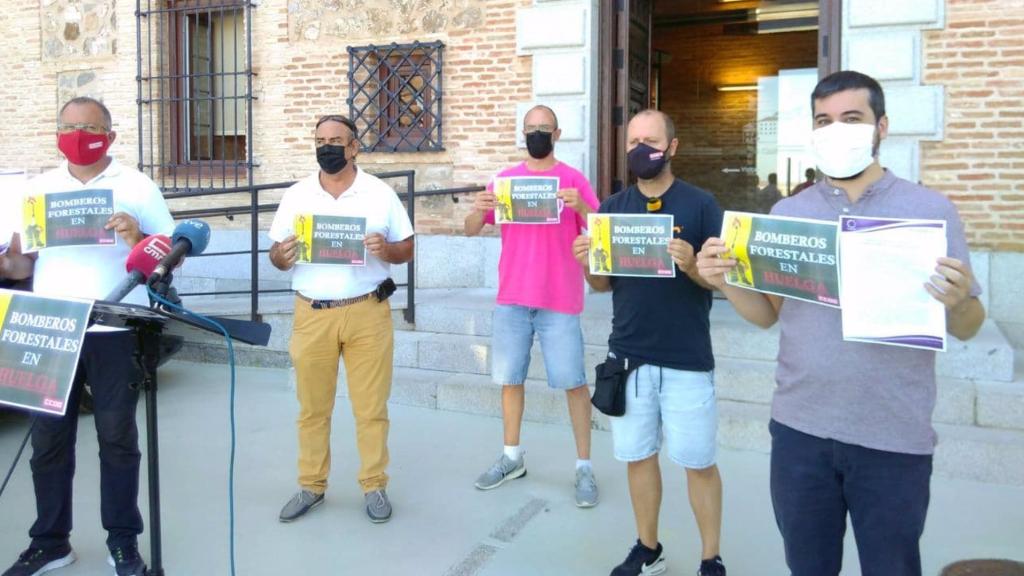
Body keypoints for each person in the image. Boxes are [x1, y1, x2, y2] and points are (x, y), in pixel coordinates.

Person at [696, 71, 986, 576]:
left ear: (881, 127)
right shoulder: (789, 212)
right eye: (823, 120)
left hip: (893, 438)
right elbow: (767, 316)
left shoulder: (929, 211)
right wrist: (724, 281)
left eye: (851, 118)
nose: (836, 130)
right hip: (800, 432)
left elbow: (969, 325)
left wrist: (958, 301)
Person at [1, 97, 175, 576]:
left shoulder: (136, 186)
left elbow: (170, 258)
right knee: (47, 441)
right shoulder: (37, 191)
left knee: (117, 437)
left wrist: (136, 236)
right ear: (57, 133)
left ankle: (123, 541)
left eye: (91, 128)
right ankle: (50, 542)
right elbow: (21, 265)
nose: (78, 135)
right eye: (69, 126)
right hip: (49, 326)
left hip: (114, 329)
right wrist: (5, 262)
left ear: (111, 136)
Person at [572, 109, 726, 576]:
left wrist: (693, 265)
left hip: (686, 359)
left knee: (699, 463)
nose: (641, 149)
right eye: (633, 141)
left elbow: (720, 281)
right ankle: (647, 547)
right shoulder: (611, 210)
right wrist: (587, 263)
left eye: (651, 141)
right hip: (629, 357)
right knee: (638, 458)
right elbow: (602, 285)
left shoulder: (701, 206)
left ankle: (710, 557)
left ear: (672, 147)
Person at [269, 114, 414, 524]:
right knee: (312, 409)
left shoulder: (379, 193)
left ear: (354, 147)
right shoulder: (297, 195)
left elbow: (407, 248)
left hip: (367, 312)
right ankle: (311, 485)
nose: (327, 147)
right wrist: (282, 256)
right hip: (312, 313)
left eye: (336, 140)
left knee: (371, 408)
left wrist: (386, 250)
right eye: (320, 141)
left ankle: (374, 484)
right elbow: (275, 255)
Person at [465, 105, 601, 507]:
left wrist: (582, 208)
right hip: (512, 297)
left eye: (544, 128)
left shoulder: (573, 180)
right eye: (530, 128)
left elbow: (604, 229)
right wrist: (478, 209)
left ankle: (584, 466)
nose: (537, 134)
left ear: (557, 134)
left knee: (573, 383)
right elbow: (470, 230)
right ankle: (511, 457)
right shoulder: (505, 180)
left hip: (559, 300)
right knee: (511, 380)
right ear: (522, 133)